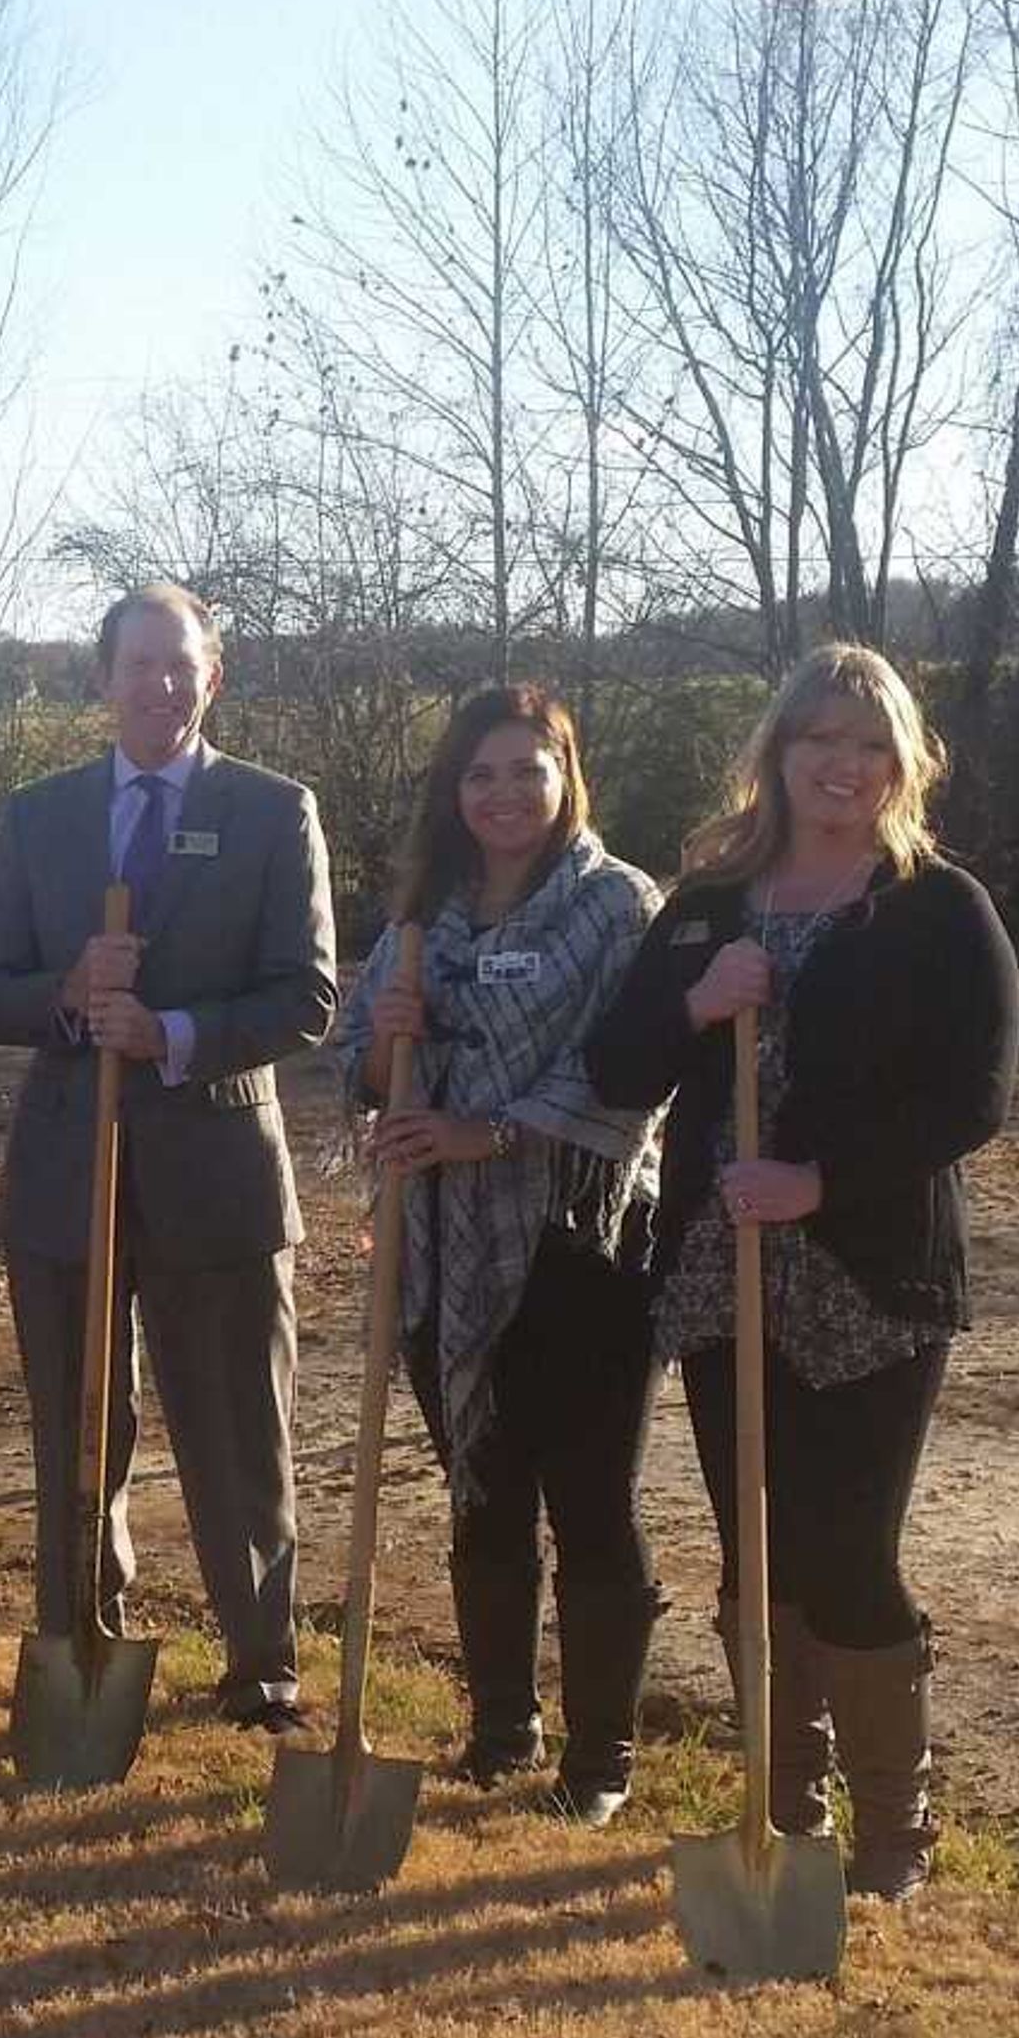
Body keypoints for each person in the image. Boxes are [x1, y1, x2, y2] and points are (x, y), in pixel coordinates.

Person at [584, 642, 1019, 1900]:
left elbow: (972, 1100)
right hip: (725, 1277)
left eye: (869, 743)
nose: (843, 763)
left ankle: (894, 1837)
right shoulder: (714, 902)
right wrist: (697, 1006)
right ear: (777, 754)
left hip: (873, 1278)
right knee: (753, 1550)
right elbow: (618, 1071)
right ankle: (782, 1810)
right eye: (819, 739)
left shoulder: (938, 907)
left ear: (903, 763)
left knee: (851, 1555)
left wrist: (820, 1182)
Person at [0, 582, 339, 1735]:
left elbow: (309, 996)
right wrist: (70, 994)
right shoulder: (41, 817)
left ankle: (261, 1664)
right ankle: (81, 1637)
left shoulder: (275, 811)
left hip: (217, 1171)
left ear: (212, 677)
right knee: (79, 1423)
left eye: (183, 666)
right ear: (103, 680)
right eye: (139, 666)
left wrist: (175, 1033)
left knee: (236, 1427)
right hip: (71, 1172)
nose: (160, 687)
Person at [332, 685, 666, 1824]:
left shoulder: (618, 907)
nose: (505, 794)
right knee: (483, 1491)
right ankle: (501, 1728)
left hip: (579, 1246)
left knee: (589, 1503)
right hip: (439, 1250)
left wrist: (496, 1130)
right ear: (453, 792)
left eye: (530, 769)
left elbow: (633, 1069)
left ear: (569, 776)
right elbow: (365, 1074)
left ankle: (601, 1757)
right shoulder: (428, 914)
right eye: (482, 774)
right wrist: (386, 1052)